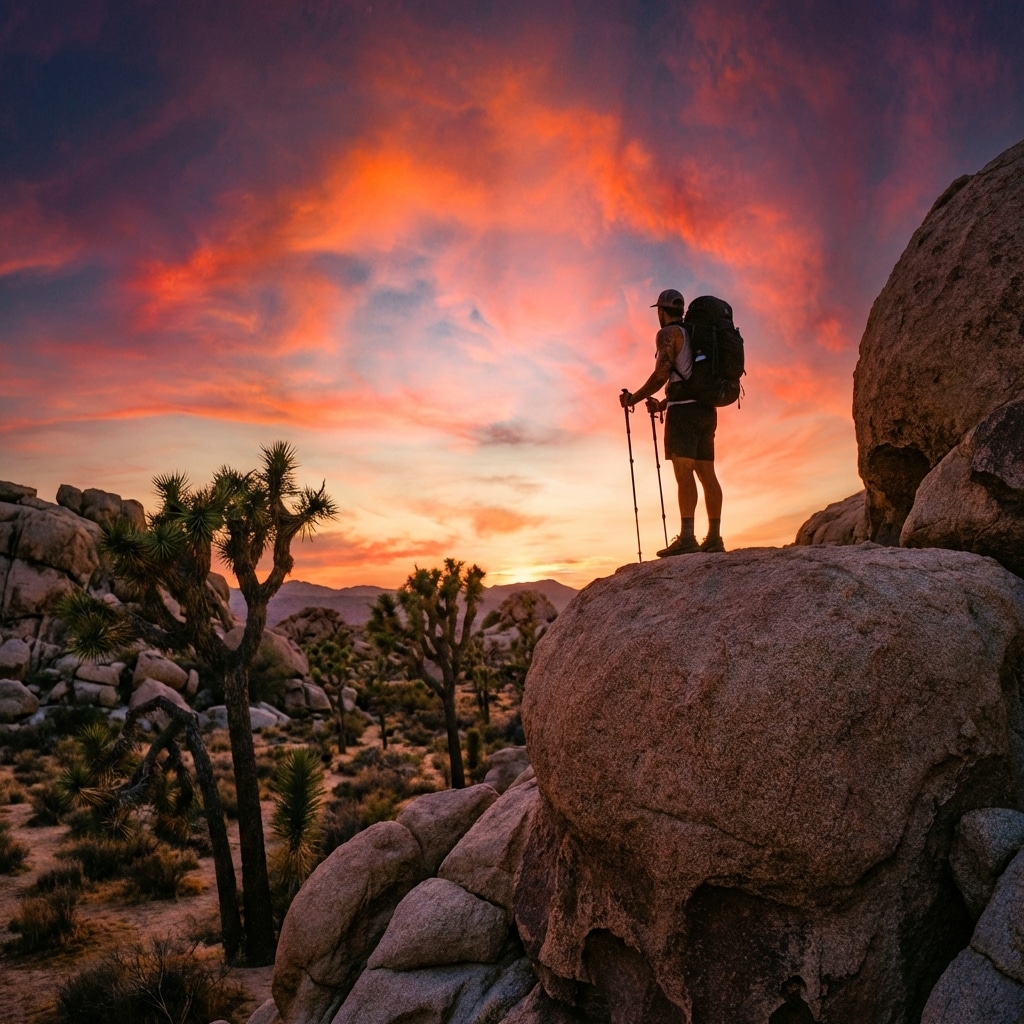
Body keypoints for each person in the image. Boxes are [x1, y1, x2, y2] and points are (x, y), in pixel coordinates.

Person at [619, 288, 725, 556]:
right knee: (707, 473)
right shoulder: (696, 334)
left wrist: (634, 398)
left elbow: (661, 374)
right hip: (705, 410)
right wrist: (662, 404)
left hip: (683, 416)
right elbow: (690, 380)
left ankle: (687, 538)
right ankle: (714, 537)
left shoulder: (668, 334)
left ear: (662, 311)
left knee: (683, 472)